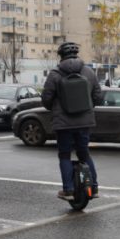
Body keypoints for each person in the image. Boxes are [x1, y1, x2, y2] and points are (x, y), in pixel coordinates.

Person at [41, 41, 103, 200]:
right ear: (76, 54)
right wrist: (86, 108)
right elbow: (98, 97)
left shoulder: (55, 74)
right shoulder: (88, 72)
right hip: (84, 122)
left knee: (65, 155)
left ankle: (68, 190)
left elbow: (46, 99)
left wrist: (54, 107)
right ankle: (94, 188)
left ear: (61, 56)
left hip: (63, 124)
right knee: (84, 153)